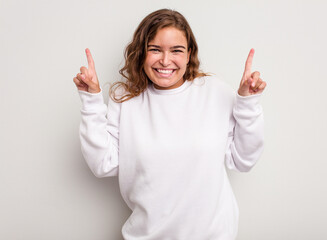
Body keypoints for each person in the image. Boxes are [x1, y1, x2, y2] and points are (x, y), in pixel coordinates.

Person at [73, 8, 266, 240]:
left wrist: (247, 102)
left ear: (189, 54)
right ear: (141, 53)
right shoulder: (125, 98)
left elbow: (243, 160)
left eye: (176, 50)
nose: (165, 60)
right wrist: (91, 100)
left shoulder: (215, 92)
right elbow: (102, 164)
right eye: (154, 49)